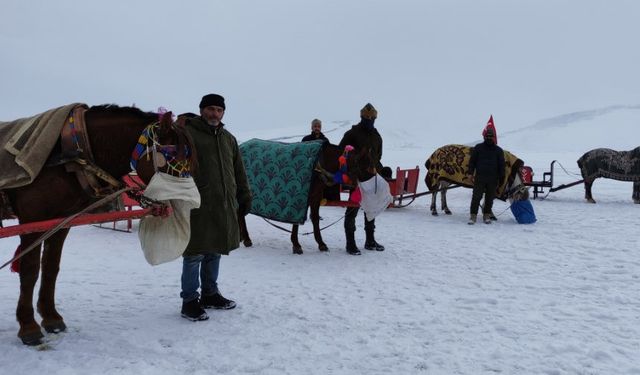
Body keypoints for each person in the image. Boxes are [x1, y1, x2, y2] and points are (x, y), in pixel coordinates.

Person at [179, 93, 252, 321]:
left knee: (215, 250)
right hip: (197, 203)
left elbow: (238, 170)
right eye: (210, 109)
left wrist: (245, 194)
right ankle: (189, 300)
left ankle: (210, 294)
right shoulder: (188, 134)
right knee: (194, 253)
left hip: (223, 204)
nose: (214, 113)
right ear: (201, 110)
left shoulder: (228, 139)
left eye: (219, 110)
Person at [338, 103, 386, 255]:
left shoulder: (377, 136)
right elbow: (341, 152)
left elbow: (379, 156)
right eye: (366, 117)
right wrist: (355, 161)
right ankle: (350, 243)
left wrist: (375, 168)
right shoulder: (352, 133)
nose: (369, 119)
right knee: (353, 209)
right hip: (355, 178)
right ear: (361, 117)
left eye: (372, 118)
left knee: (370, 208)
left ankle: (370, 240)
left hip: (371, 177)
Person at [467, 126, 505, 225]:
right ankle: (473, 216)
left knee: (489, 198)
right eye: (487, 136)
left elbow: (501, 165)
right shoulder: (478, 148)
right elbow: (472, 162)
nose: (489, 138)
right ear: (484, 137)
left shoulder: (498, 150)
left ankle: (486, 215)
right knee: (476, 197)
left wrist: (502, 178)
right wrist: (470, 173)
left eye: (491, 136)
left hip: (493, 178)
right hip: (480, 177)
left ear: (493, 137)